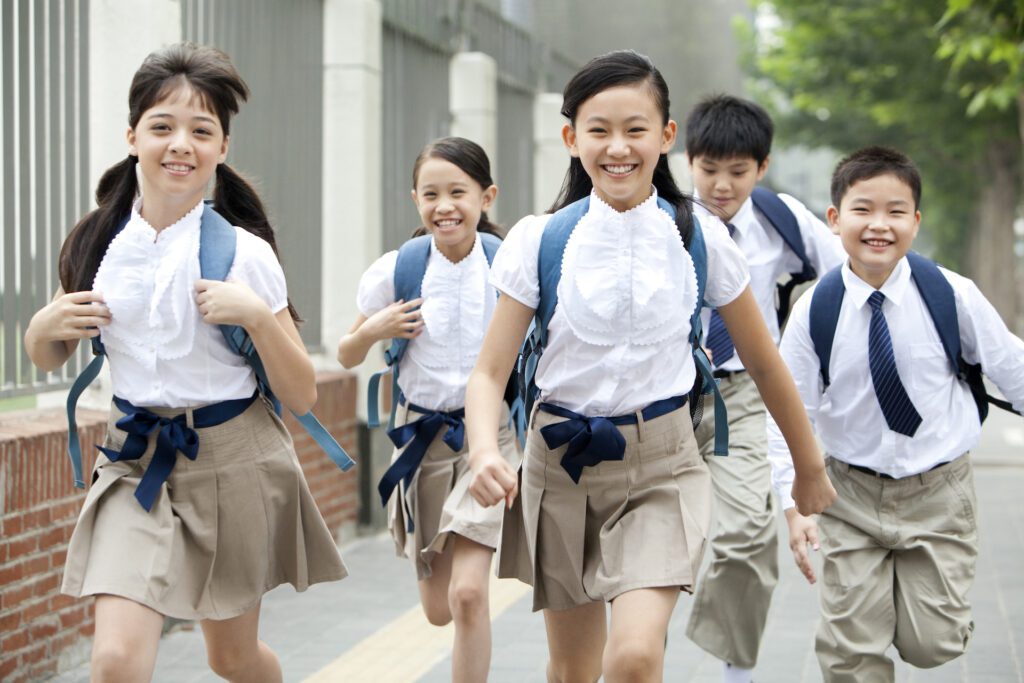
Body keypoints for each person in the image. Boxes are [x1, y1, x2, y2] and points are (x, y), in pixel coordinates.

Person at [463, 50, 835, 683]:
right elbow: (489, 373)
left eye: (636, 130)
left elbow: (767, 365)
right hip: (559, 463)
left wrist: (808, 468)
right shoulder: (539, 239)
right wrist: (482, 451)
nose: (618, 148)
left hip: (662, 465)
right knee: (573, 669)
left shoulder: (700, 239)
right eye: (599, 130)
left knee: (633, 656)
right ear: (570, 137)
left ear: (666, 138)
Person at [22, 43, 346, 683]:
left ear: (222, 147)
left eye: (202, 131)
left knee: (232, 659)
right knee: (115, 661)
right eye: (162, 127)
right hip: (133, 458)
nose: (180, 145)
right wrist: (40, 328)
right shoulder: (97, 243)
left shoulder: (243, 253)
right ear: (133, 136)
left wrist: (255, 315)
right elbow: (50, 352)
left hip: (234, 461)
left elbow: (302, 394)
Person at [767, 146, 1024, 682]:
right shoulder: (817, 309)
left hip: (938, 494)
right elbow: (790, 412)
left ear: (915, 221)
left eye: (895, 211)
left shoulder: (951, 294)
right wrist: (794, 504)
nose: (878, 225)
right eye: (862, 210)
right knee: (851, 649)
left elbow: (1012, 368)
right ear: (835, 219)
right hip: (849, 493)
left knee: (935, 643)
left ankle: (924, 620)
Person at [336, 136, 520, 683]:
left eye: (458, 192)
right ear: (414, 198)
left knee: (468, 596)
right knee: (438, 608)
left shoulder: (507, 266)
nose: (445, 206)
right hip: (420, 444)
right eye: (431, 193)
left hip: (489, 441)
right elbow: (346, 354)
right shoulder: (399, 269)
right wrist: (375, 330)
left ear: (486, 197)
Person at [683, 94, 846, 683]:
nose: (722, 186)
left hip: (745, 396)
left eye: (738, 171)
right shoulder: (664, 218)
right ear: (687, 160)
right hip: (666, 395)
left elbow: (846, 275)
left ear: (762, 167)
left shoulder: (782, 219)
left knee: (749, 534)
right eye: (709, 170)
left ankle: (736, 665)